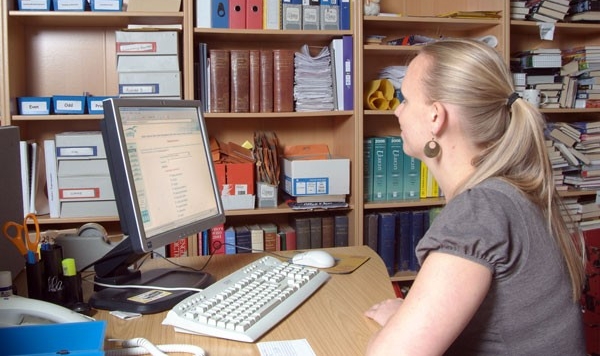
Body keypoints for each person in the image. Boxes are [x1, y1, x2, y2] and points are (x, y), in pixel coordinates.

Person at [364, 38, 586, 355]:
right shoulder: (509, 191)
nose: (398, 109)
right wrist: (407, 318)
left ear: (435, 118)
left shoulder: (478, 210)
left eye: (406, 98)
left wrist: (397, 326)